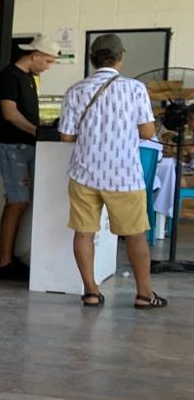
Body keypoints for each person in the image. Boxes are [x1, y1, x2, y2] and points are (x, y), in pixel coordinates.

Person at [58, 34, 166, 309]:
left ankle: (91, 292)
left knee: (84, 233)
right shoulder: (135, 88)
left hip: (85, 173)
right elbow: (147, 131)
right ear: (120, 57)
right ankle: (144, 294)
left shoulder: (75, 90)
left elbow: (67, 137)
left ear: (92, 60)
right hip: (124, 175)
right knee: (135, 234)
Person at [0, 35, 58, 280]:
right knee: (16, 201)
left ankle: (10, 258)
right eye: (47, 61)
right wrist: (37, 131)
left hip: (25, 145)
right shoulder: (9, 76)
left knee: (22, 201)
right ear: (35, 55)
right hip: (11, 147)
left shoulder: (29, 78)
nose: (48, 67)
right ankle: (4, 263)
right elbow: (10, 113)